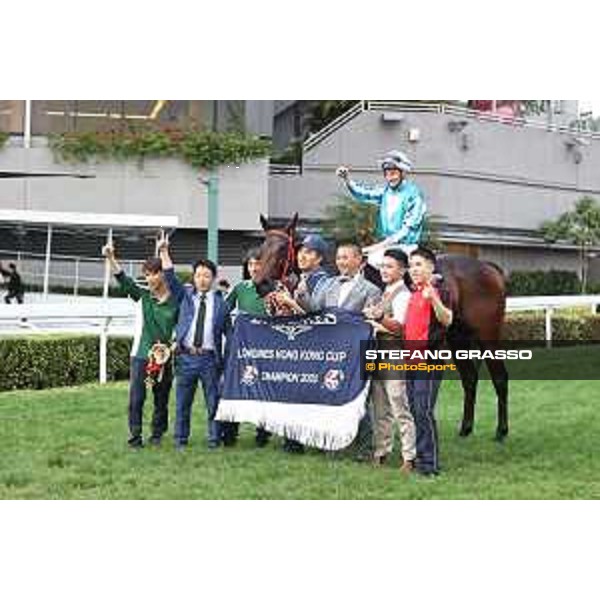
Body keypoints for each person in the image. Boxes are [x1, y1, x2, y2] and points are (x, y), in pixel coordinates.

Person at [103, 244, 178, 449]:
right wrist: (111, 257)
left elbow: (181, 328)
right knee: (137, 399)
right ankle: (135, 436)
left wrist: (172, 347)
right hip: (140, 357)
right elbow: (123, 280)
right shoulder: (143, 295)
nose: (150, 278)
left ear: (163, 274)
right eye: (146, 274)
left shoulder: (176, 301)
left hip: (165, 358)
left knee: (161, 399)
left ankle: (157, 434)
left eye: (154, 273)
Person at [312, 243, 382, 460]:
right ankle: (331, 443)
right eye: (339, 257)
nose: (341, 261)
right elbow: (314, 312)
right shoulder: (327, 285)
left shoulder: (372, 290)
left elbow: (369, 323)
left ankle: (365, 448)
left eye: (346, 257)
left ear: (359, 260)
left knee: (359, 400)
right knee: (329, 395)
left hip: (358, 353)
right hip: (330, 351)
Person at [157, 237, 229, 450]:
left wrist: (228, 362)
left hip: (209, 360)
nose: (202, 279)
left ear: (213, 278)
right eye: (198, 275)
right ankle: (180, 440)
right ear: (194, 277)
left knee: (213, 403)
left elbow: (230, 335)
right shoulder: (185, 296)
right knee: (182, 403)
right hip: (186, 357)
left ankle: (214, 440)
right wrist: (164, 252)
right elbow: (169, 277)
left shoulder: (222, 305)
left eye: (207, 275)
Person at [363, 248, 416, 472]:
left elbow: (401, 328)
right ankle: (382, 451)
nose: (384, 270)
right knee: (380, 407)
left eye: (390, 266)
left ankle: (409, 457)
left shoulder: (403, 294)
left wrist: (378, 319)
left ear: (402, 270)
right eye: (383, 266)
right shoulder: (385, 293)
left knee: (398, 405)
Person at [404, 247, 453, 476]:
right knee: (415, 409)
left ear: (431, 267)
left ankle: (429, 464)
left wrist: (434, 298)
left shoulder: (440, 290)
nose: (414, 269)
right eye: (412, 265)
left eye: (419, 264)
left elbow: (447, 319)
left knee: (423, 409)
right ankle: (425, 458)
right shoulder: (414, 292)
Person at [336, 150, 426, 267]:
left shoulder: (414, 194)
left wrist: (380, 245)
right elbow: (364, 194)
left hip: (405, 246)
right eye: (387, 174)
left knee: (376, 261)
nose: (390, 178)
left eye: (393, 173)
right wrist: (347, 179)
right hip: (387, 245)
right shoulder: (385, 192)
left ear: (402, 173)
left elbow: (408, 228)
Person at [223, 247, 272, 447]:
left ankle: (263, 434)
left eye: (258, 264)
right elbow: (222, 312)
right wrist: (231, 333)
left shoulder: (274, 289)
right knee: (237, 387)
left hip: (267, 349)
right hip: (243, 350)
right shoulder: (240, 288)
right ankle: (230, 434)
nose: (254, 268)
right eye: (250, 264)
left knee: (265, 390)